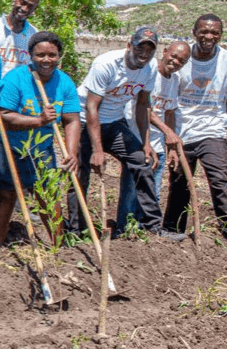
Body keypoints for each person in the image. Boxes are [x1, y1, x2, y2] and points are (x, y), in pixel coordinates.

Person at [67, 26, 184, 240]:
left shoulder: (148, 70)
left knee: (142, 161)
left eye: (150, 50)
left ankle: (152, 225)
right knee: (80, 174)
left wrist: (146, 143)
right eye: (140, 47)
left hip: (114, 121)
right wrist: (97, 150)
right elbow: (92, 107)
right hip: (85, 121)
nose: (144, 54)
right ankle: (76, 230)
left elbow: (142, 105)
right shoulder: (106, 64)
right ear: (129, 45)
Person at [0, 31, 80, 248]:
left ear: (59, 56)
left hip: (40, 145)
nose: (46, 60)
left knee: (47, 193)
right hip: (4, 141)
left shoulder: (64, 84)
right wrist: (39, 120)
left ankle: (59, 248)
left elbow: (72, 119)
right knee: (7, 193)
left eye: (52, 55)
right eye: (40, 55)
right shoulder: (16, 79)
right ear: (31, 55)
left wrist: (71, 152)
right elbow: (3, 116)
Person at [0, 0, 40, 223]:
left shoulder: (32, 34)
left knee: (14, 153)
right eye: (22, 2)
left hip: (17, 104)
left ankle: (9, 203)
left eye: (30, 6)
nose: (23, 9)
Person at [115, 41, 190, 233]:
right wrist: (168, 132)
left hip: (158, 146)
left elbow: (170, 111)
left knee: (153, 193)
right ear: (165, 52)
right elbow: (145, 108)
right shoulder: (148, 73)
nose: (176, 62)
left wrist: (171, 146)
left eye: (182, 60)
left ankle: (147, 233)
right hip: (138, 141)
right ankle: (122, 233)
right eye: (173, 56)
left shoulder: (174, 80)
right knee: (131, 192)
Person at [164, 15, 227, 239]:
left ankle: (225, 231)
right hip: (182, 131)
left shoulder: (225, 60)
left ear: (220, 35)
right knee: (179, 182)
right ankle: (173, 231)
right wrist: (170, 135)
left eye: (215, 33)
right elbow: (170, 99)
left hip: (213, 129)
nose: (209, 37)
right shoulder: (182, 58)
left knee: (220, 180)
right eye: (204, 32)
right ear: (194, 32)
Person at [0, 0, 40, 78]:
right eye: (22, 3)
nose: (25, 9)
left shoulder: (34, 34)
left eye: (30, 6)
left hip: (19, 89)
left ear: (35, 9)